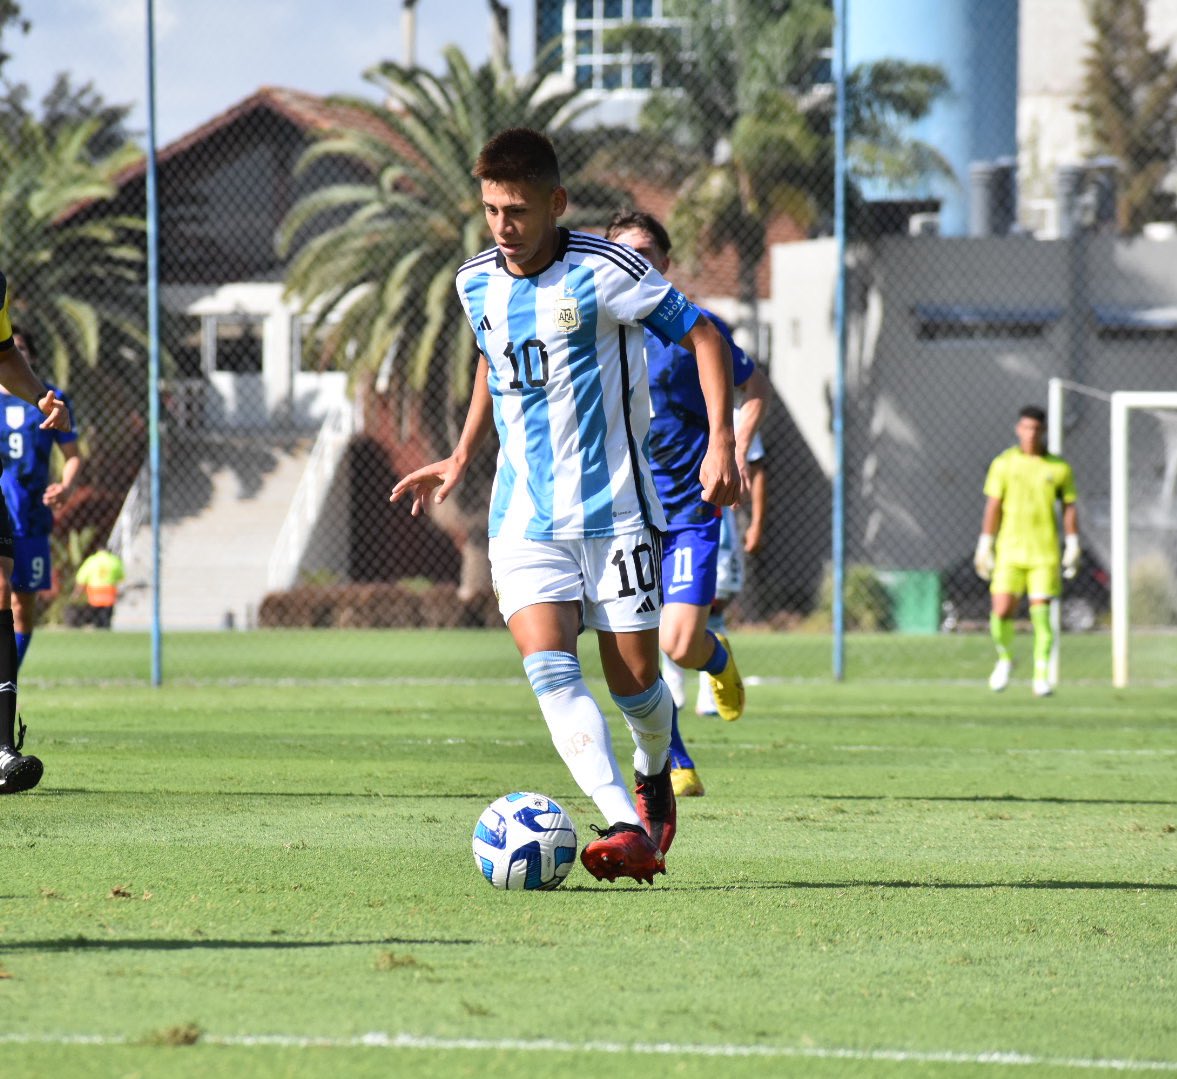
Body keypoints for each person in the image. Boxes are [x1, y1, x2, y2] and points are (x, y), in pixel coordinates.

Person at [390, 129, 742, 884]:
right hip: (523, 518)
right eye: (489, 210)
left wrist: (723, 444)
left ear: (555, 203)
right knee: (551, 670)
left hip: (616, 512)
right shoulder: (473, 282)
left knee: (635, 685)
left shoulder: (606, 270)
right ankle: (624, 822)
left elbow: (704, 336)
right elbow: (495, 358)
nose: (502, 226)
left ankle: (652, 766)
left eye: (515, 210)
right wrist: (458, 456)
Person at [605, 210, 768, 799]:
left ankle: (717, 658)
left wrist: (733, 446)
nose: (636, 262)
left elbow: (754, 388)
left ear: (666, 263)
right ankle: (675, 759)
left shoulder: (696, 328)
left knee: (679, 644)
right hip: (624, 512)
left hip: (691, 509)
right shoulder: (598, 325)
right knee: (636, 650)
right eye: (623, 253)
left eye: (647, 251)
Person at [0, 273, 72, 794]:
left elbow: (3, 356)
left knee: (5, 594)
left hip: (20, 508)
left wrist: (43, 397)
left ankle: (2, 749)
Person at [974, 405, 1079, 698]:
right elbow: (993, 505)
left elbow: (1069, 506)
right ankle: (1006, 659)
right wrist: (985, 542)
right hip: (1009, 551)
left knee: (1041, 615)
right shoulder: (1004, 464)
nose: (1030, 434)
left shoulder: (1058, 468)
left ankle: (1041, 675)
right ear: (1018, 429)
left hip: (1044, 554)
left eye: (1036, 428)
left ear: (1043, 431)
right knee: (1002, 610)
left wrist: (1072, 542)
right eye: (1025, 428)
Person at [2, 326, 82, 665]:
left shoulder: (50, 399)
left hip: (32, 517)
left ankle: (7, 684)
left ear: (28, 358)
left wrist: (65, 486)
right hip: (0, 510)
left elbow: (73, 455)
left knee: (23, 607)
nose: (13, 352)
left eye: (20, 348)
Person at [693, 416, 768, 721]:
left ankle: (709, 694)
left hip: (717, 523)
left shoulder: (738, 416)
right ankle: (674, 692)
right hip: (670, 517)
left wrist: (757, 523)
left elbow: (757, 468)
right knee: (669, 609)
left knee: (714, 606)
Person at [73, 548, 125, 628]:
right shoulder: (114, 560)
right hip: (109, 594)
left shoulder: (91, 561)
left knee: (96, 620)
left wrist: (76, 593)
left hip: (95, 594)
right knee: (106, 621)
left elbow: (81, 579)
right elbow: (121, 577)